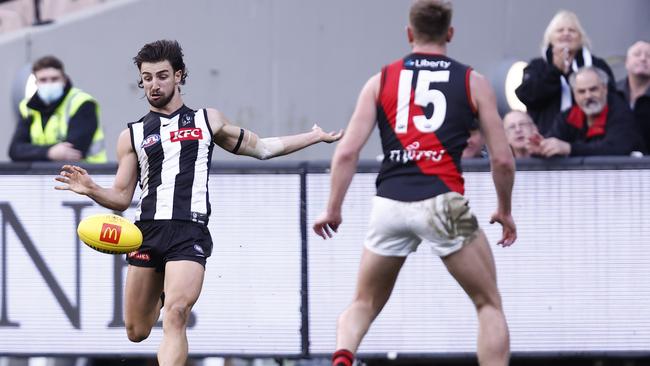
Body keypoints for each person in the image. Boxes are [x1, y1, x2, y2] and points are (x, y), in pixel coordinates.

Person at [53, 40, 342, 366]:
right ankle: (162, 292)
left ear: (179, 75)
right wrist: (91, 188)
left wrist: (314, 136)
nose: (154, 84)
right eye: (147, 78)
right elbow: (121, 198)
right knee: (136, 331)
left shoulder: (208, 121)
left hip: (189, 231)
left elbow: (262, 148)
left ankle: (171, 296)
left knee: (176, 313)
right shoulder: (131, 135)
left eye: (162, 76)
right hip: (146, 232)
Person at [312, 1, 516, 366]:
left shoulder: (381, 80)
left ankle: (343, 357)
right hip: (442, 203)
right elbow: (502, 158)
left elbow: (346, 153)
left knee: (363, 303)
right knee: (489, 304)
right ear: (450, 34)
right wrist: (504, 209)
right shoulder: (473, 81)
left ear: (409, 34)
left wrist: (333, 208)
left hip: (388, 204)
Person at [515, 10, 616, 136]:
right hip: (545, 138)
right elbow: (527, 96)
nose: (566, 34)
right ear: (550, 37)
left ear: (581, 37)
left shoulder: (596, 65)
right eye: (560, 30)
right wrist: (555, 70)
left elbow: (612, 100)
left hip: (589, 139)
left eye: (572, 30)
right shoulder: (537, 66)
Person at [9, 55, 107, 162]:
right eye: (43, 80)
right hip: (44, 176)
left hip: (88, 174)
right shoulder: (28, 108)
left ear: (64, 80)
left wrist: (33, 151)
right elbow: (15, 150)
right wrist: (49, 152)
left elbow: (74, 151)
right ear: (36, 83)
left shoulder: (82, 103)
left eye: (54, 79)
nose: (49, 84)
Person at [529, 66, 643, 157]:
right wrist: (542, 147)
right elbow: (555, 142)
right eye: (581, 92)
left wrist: (569, 148)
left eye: (593, 89)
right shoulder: (568, 117)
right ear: (574, 94)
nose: (588, 96)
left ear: (605, 89)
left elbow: (616, 148)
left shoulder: (621, 112)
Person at [617, 40, 650, 153]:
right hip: (615, 163)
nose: (643, 59)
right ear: (626, 62)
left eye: (649, 56)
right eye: (637, 54)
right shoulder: (612, 93)